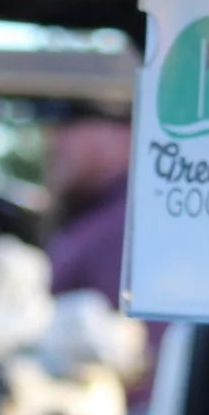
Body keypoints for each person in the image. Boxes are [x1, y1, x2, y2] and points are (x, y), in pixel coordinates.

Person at [43, 109, 162, 393]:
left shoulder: (136, 224)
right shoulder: (94, 215)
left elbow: (147, 366)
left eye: (71, 122)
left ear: (122, 133)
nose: (55, 139)